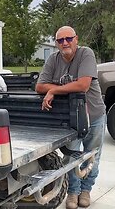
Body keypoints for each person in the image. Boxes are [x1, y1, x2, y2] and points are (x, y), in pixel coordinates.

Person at [35, 26, 106, 209]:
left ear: (76, 39)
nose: (65, 43)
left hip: (94, 114)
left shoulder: (85, 54)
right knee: (71, 157)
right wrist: (50, 89)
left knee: (92, 156)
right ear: (57, 43)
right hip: (70, 118)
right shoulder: (53, 59)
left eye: (68, 38)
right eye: (60, 40)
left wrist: (54, 90)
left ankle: (86, 191)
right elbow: (39, 86)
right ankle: (73, 193)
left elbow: (83, 85)